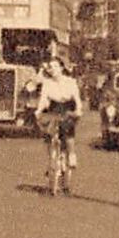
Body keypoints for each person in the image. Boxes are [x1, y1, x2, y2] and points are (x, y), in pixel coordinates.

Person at [32, 53, 83, 191]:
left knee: (67, 130)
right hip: (54, 108)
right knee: (49, 132)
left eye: (55, 66)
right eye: (50, 67)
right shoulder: (47, 84)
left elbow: (77, 99)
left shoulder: (70, 82)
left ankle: (71, 155)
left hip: (68, 108)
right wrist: (38, 110)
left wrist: (78, 110)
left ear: (61, 68)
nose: (52, 69)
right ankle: (51, 162)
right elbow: (44, 100)